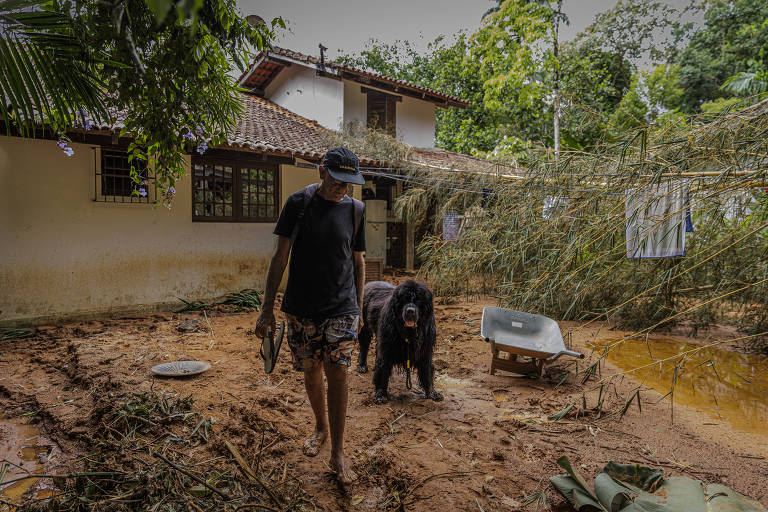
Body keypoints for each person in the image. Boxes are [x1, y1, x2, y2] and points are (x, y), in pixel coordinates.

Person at [254, 147, 366, 485]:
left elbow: (358, 262)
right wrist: (266, 309)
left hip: (342, 309)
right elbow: (280, 256)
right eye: (336, 180)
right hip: (301, 308)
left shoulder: (356, 211)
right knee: (311, 371)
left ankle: (338, 452)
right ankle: (321, 427)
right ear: (321, 171)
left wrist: (358, 310)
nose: (341, 188)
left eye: (348, 183)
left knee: (339, 374)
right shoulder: (298, 204)